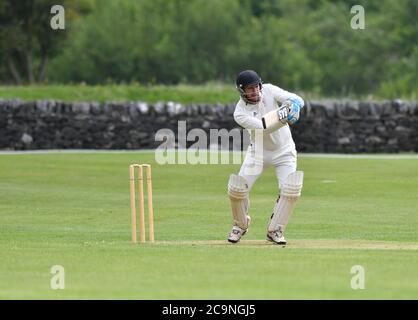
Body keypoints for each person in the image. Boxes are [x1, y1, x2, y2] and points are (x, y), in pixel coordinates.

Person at [227, 70, 304, 245]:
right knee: (237, 189)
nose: (255, 91)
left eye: (256, 86)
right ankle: (240, 225)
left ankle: (275, 230)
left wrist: (295, 105)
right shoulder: (239, 113)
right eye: (249, 89)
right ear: (242, 91)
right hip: (258, 154)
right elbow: (264, 127)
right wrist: (284, 116)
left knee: (291, 189)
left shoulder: (269, 90)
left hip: (284, 151)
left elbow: (297, 99)